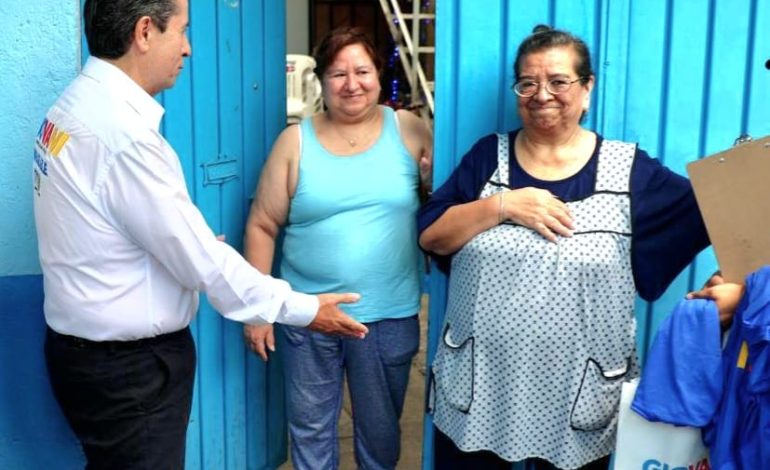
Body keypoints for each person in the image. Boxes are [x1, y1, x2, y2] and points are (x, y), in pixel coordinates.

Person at [32, 1, 368, 468]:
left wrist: (193, 245)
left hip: (85, 358)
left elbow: (116, 229)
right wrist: (306, 308)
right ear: (145, 31)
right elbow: (201, 263)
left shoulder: (72, 106)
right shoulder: (124, 138)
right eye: (183, 32)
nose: (188, 49)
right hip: (130, 375)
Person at [418, 25, 710, 470]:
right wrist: (502, 206)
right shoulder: (487, 157)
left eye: (559, 81)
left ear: (587, 87)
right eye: (528, 83)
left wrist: (732, 279)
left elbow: (715, 212)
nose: (542, 94)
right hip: (481, 386)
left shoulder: (628, 169)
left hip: (577, 390)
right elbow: (432, 234)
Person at [242, 26, 433, 470]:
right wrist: (258, 311)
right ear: (322, 81)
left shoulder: (409, 129)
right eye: (338, 73)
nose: (352, 84)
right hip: (307, 315)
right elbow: (262, 225)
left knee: (381, 433)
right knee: (310, 430)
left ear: (379, 75)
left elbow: (441, 206)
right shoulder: (295, 142)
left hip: (387, 315)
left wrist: (428, 182)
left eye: (362, 71)